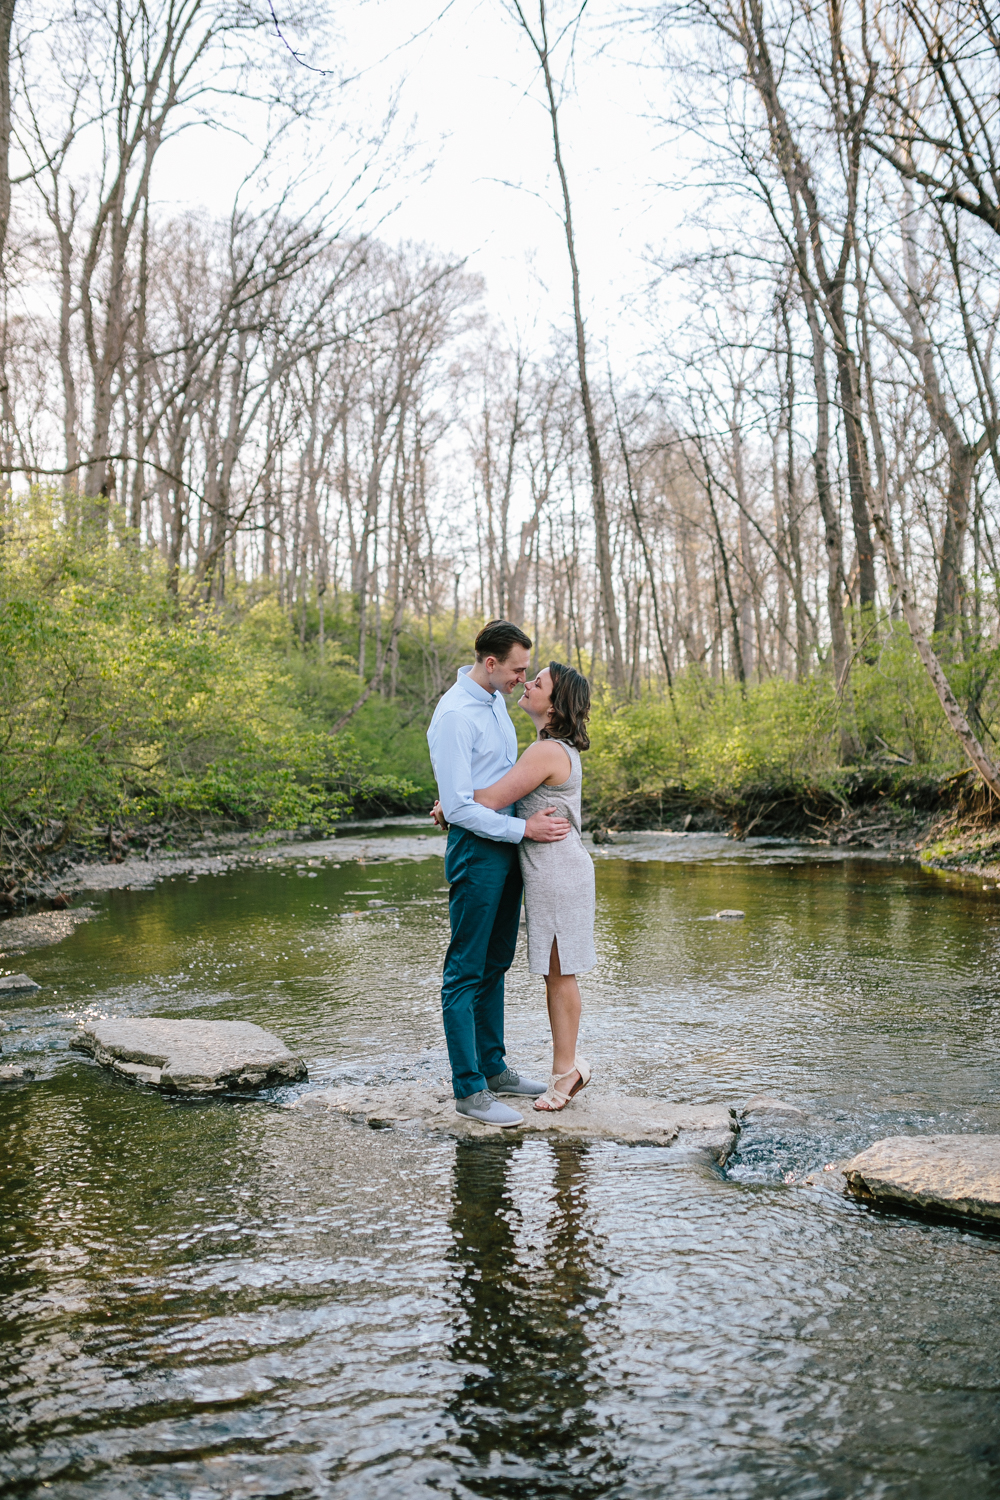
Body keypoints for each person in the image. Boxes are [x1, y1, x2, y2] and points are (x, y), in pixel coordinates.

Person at [427, 620, 572, 1128]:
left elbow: (478, 787)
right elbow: (463, 809)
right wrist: (523, 830)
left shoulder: (493, 705)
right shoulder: (454, 715)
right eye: (517, 669)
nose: (521, 679)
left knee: (495, 965)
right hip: (478, 850)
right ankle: (469, 1089)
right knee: (465, 970)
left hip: (509, 847)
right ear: (491, 664)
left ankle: (494, 1069)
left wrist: (515, 828)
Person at [468, 661, 595, 1111]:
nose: (527, 683)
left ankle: (567, 1074)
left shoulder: (546, 752)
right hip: (553, 871)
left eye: (538, 683)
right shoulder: (548, 748)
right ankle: (566, 1069)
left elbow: (494, 798)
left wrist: (450, 803)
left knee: (560, 975)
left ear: (555, 706)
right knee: (556, 973)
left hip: (558, 872)